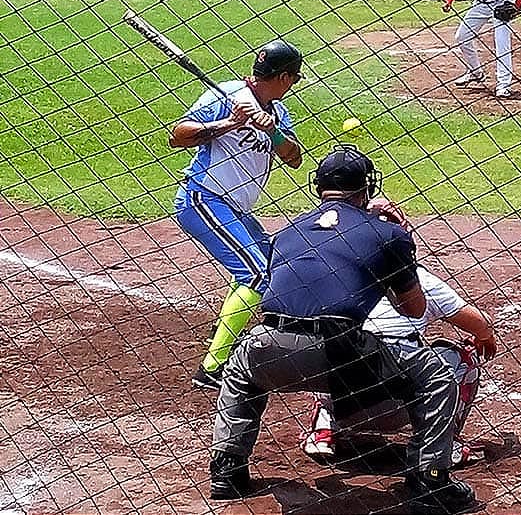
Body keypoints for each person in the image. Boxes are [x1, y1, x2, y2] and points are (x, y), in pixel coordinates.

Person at [209, 146, 478, 515]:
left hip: (269, 346)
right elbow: (413, 308)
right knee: (435, 375)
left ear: (317, 186)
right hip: (340, 352)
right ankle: (430, 479)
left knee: (239, 369)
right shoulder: (387, 235)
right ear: (366, 188)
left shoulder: (287, 233)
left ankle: (228, 470)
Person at [302, 197, 497, 468]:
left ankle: (324, 428)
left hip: (342, 399)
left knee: (322, 339)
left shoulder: (330, 275)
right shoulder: (421, 280)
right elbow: (481, 325)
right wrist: (484, 337)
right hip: (400, 406)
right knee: (463, 358)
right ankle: (444, 444)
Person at [170, 40, 304, 390]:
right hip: (204, 199)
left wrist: (270, 130)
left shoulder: (277, 110)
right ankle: (213, 367)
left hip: (236, 208)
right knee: (258, 275)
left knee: (270, 265)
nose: (293, 84)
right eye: (294, 78)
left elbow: (294, 158)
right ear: (284, 76)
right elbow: (178, 135)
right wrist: (230, 123)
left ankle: (225, 326)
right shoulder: (225, 95)